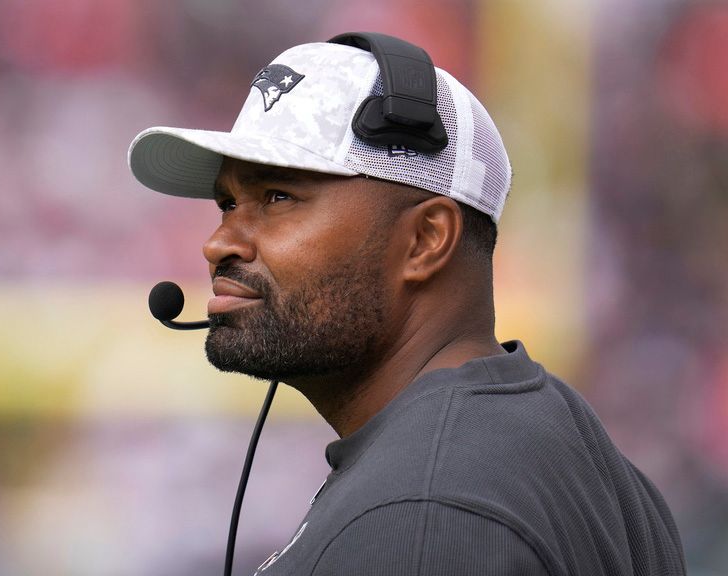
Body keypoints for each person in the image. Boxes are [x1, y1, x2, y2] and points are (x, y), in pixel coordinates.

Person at [127, 33, 685, 576]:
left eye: (277, 197)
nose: (218, 242)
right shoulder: (569, 454)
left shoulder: (420, 518)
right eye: (227, 202)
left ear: (425, 240)